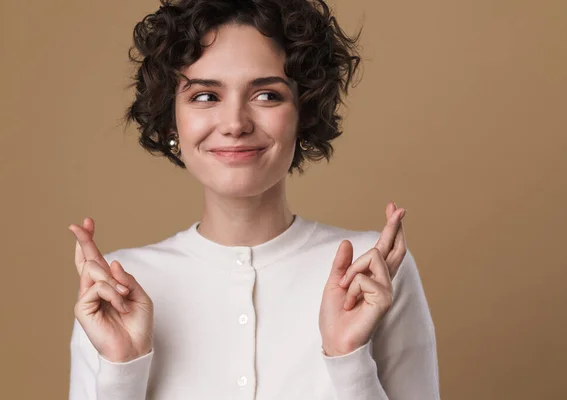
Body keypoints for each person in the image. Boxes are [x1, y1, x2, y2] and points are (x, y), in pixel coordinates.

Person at [67, 0, 440, 398]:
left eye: (266, 95)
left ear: (304, 111)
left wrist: (348, 358)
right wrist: (123, 367)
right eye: (205, 96)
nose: (235, 124)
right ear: (170, 116)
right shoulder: (120, 285)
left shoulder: (373, 272)